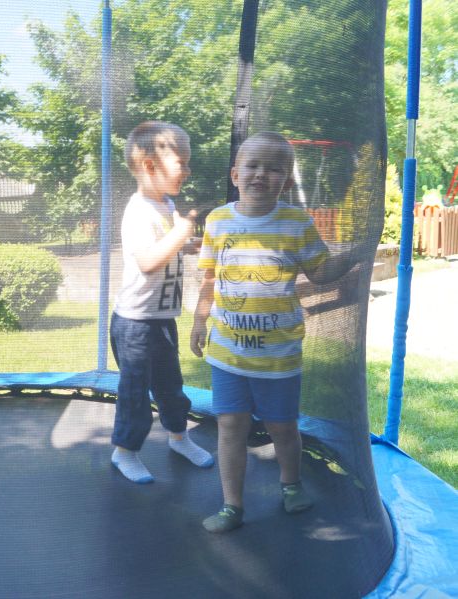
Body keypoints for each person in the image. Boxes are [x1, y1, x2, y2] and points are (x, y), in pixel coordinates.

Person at [191, 131, 357, 533]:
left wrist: (355, 254)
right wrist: (199, 319)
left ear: (286, 181)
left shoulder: (296, 223)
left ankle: (291, 483)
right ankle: (232, 505)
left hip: (279, 356)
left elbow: (320, 273)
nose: (261, 174)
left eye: (274, 168)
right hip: (228, 354)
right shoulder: (218, 220)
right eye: (252, 166)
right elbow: (210, 276)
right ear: (235, 175)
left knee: (282, 427)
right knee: (230, 426)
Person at [110, 121, 215, 485]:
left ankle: (179, 438)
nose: (188, 171)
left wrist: (191, 244)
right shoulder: (138, 210)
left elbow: (168, 247)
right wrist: (182, 231)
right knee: (135, 392)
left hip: (162, 319)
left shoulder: (166, 203)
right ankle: (124, 452)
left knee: (171, 386)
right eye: (181, 163)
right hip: (135, 324)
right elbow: (148, 261)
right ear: (149, 165)